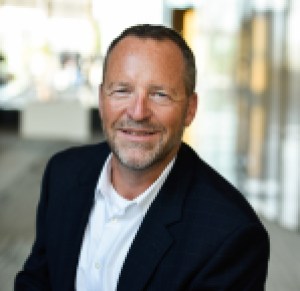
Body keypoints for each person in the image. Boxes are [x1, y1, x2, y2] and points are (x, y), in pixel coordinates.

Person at [15, 24, 269, 291]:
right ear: (102, 100)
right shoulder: (62, 173)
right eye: (122, 90)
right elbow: (37, 280)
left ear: (190, 109)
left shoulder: (230, 236)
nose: (137, 113)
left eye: (159, 94)